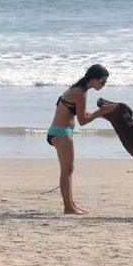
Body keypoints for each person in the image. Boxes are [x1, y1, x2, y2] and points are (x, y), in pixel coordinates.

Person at [48, 64, 116, 215]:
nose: (103, 85)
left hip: (60, 132)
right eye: (102, 81)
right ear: (93, 79)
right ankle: (68, 208)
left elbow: (81, 113)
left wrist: (101, 113)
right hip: (61, 133)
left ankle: (71, 204)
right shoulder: (79, 92)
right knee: (67, 171)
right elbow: (83, 121)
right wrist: (100, 112)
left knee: (69, 170)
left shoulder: (78, 90)